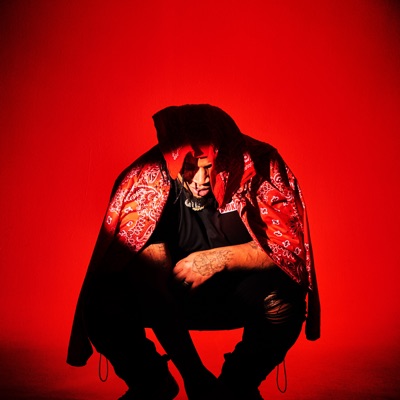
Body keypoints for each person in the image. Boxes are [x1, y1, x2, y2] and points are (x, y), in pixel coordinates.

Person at [67, 104, 320, 400]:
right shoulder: (147, 181)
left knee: (286, 297)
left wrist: (217, 260)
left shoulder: (261, 165)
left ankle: (237, 385)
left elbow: (290, 251)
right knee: (101, 301)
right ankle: (151, 382)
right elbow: (152, 288)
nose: (200, 180)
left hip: (238, 294)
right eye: (189, 167)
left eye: (209, 167)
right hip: (170, 298)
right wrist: (194, 374)